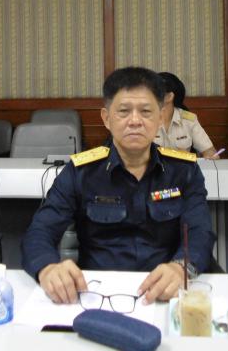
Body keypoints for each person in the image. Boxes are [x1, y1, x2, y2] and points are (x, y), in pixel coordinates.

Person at [21, 66, 216, 305]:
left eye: (146, 111)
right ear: (106, 118)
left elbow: (200, 231)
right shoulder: (81, 172)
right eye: (124, 111)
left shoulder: (183, 171)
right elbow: (40, 231)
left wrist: (182, 268)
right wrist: (47, 267)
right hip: (97, 294)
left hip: (165, 293)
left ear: (159, 117)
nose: (135, 121)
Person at [154, 71, 217, 157]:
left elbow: (209, 151)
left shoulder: (188, 120)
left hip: (182, 166)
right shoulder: (144, 119)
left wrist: (211, 155)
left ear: (169, 97)